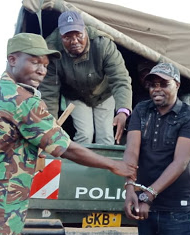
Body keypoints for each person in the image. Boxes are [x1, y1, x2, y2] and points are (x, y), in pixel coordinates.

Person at [0, 33, 137, 235]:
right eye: (34, 61)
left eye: (45, 64)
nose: (42, 70)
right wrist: (113, 165)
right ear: (12, 60)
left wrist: (15, 149)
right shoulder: (24, 101)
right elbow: (67, 148)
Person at [123, 63, 190, 235]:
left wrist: (148, 196)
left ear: (177, 84)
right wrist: (129, 187)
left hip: (176, 210)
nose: (156, 89)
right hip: (145, 208)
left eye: (163, 83)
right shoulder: (141, 110)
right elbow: (131, 151)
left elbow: (180, 162)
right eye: (152, 84)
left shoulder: (189, 115)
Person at [39, 10, 132, 145]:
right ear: (60, 36)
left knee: (106, 137)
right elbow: (49, 92)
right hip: (75, 95)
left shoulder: (103, 44)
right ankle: (80, 165)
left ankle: (104, 166)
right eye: (67, 37)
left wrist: (123, 110)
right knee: (84, 135)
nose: (74, 41)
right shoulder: (52, 51)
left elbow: (120, 78)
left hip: (104, 93)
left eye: (79, 35)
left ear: (86, 31)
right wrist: (50, 126)